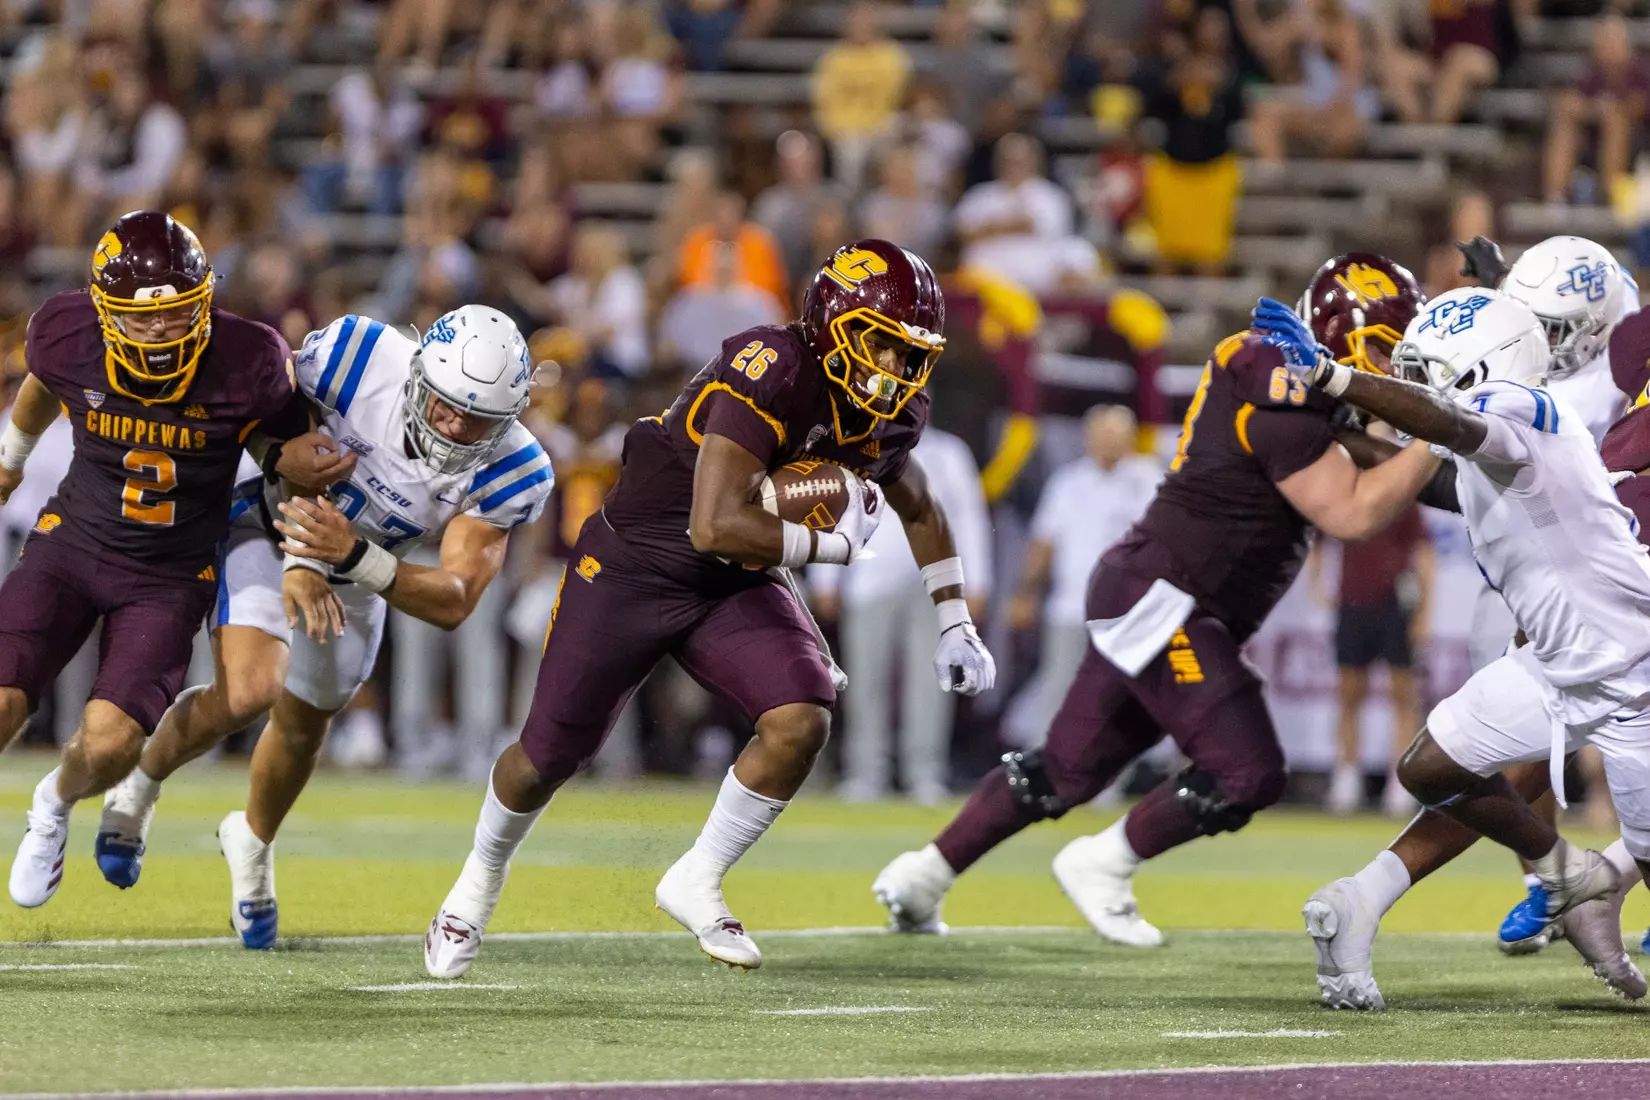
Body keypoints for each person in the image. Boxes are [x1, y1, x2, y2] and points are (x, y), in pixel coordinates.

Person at [424, 240, 996, 977]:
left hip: (728, 582)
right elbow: (712, 523)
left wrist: (954, 617)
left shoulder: (889, 411)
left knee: (802, 718)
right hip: (633, 563)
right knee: (546, 757)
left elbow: (917, 502)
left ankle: (696, 876)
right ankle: (472, 890)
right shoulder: (773, 366)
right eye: (881, 346)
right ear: (834, 323)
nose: (896, 372)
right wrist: (827, 546)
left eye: (910, 355)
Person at [872, 253, 1437, 944]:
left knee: (1063, 769)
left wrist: (1468, 443)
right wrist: (1444, 429)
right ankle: (1104, 863)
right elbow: (1352, 511)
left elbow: (1394, 463)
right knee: (1246, 770)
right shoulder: (1275, 374)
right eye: (1381, 346)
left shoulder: (1310, 392)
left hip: (1160, 591)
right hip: (1167, 600)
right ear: (1334, 329)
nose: (1388, 365)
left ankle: (921, 876)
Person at [96, 305, 553, 947]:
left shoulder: (514, 469)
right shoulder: (360, 356)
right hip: (263, 514)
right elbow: (257, 415)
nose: (453, 426)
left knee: (308, 720)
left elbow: (453, 599)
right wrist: (303, 541)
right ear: (418, 373)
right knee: (250, 690)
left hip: (359, 566)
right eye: (446, 404)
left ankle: (251, 844)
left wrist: (345, 556)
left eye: (476, 417)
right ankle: (139, 783)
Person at [1269, 287, 1650, 1010]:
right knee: (1429, 766)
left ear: (1486, 365)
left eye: (1428, 367)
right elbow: (1438, 466)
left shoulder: (1531, 411)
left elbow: (1448, 419)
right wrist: (1335, 421)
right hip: (1554, 663)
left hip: (1636, 668)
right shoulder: (1492, 437)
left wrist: (1337, 378)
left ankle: (1592, 889)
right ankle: (1567, 871)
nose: (1415, 381)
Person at [0, 210, 341, 909]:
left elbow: (277, 449)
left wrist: (289, 459)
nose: (158, 330)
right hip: (74, 540)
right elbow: (43, 380)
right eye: (140, 316)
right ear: (103, 309)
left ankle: (53, 802)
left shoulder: (249, 359)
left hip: (168, 571)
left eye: (176, 313)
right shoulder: (66, 332)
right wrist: (10, 457)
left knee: (111, 742)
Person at [1454, 235, 1637, 953]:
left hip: (1609, 571)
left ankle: (1602, 878)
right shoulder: (1555, 337)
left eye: (1554, 326)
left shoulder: (1618, 359)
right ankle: (1552, 877)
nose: (1541, 339)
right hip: (1538, 568)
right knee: (1515, 747)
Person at [813, 426, 992, 804]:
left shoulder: (949, 452)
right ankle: (865, 772)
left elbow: (968, 517)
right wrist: (825, 574)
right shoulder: (856, 444)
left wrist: (975, 581)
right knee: (865, 680)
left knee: (932, 679)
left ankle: (924, 772)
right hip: (869, 575)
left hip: (932, 577)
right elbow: (834, 505)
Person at [1006, 406, 1162, 751]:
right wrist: (1026, 593)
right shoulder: (1069, 480)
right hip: (1070, 604)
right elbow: (1043, 543)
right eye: (1103, 435)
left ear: (1131, 439)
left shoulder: (1148, 480)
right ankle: (1043, 769)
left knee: (1118, 697)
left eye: (1117, 435)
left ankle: (1105, 783)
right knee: (1059, 688)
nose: (1109, 442)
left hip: (1127, 610)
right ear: (1088, 438)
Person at [1316, 498, 1433, 817]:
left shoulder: (1402, 497)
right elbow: (1318, 536)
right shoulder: (1347, 489)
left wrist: (1424, 612)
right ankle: (1346, 776)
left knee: (1403, 695)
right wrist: (1317, 584)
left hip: (1395, 603)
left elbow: (1424, 553)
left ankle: (1400, 781)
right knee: (1349, 693)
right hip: (1353, 603)